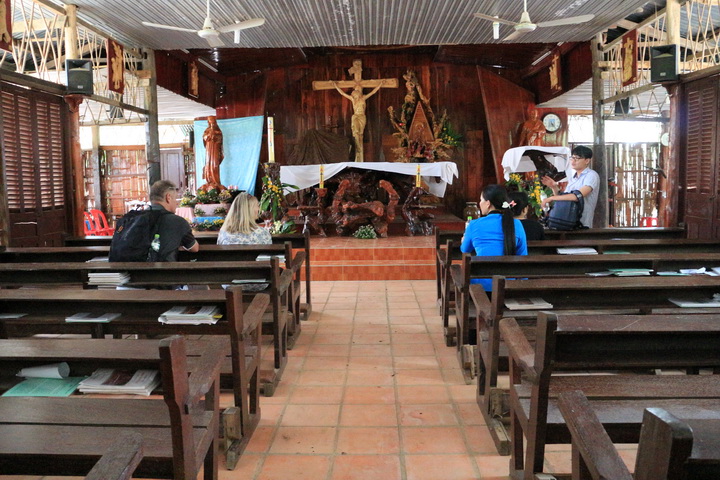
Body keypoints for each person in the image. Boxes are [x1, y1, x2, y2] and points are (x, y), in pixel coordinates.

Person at [461, 184, 528, 291]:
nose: (480, 203)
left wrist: (463, 241)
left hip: (481, 287)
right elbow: (523, 256)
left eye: (481, 200)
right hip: (509, 286)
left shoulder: (474, 224)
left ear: (488, 203)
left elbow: (465, 250)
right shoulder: (517, 224)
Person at [218, 192, 272, 291]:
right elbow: (267, 260)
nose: (258, 209)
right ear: (250, 210)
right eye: (256, 206)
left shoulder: (224, 232)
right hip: (258, 282)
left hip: (230, 282)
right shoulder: (263, 233)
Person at [541, 145, 599, 228]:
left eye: (577, 158)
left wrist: (550, 198)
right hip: (566, 222)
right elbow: (565, 199)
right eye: (572, 157)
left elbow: (577, 196)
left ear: (587, 161)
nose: (573, 161)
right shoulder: (573, 177)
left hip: (581, 224)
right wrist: (554, 187)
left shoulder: (591, 175)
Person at [332, 79, 385, 162]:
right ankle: (357, 142)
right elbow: (342, 93)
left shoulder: (363, 98)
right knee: (356, 132)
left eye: (357, 92)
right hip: (356, 116)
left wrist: (380, 84)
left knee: (360, 134)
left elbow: (373, 92)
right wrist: (336, 86)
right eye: (355, 93)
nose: (356, 94)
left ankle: (359, 148)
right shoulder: (353, 100)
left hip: (362, 117)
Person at [149, 180, 199, 261]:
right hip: (165, 271)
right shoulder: (177, 221)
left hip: (134, 272)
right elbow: (194, 248)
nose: (176, 203)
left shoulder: (134, 218)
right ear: (168, 197)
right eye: (175, 198)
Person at [201, 115, 224, 190]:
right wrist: (208, 136)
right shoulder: (207, 131)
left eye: (213, 122)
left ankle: (216, 181)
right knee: (208, 164)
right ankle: (209, 180)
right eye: (210, 122)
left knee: (214, 164)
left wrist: (214, 135)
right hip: (209, 149)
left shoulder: (218, 131)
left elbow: (220, 140)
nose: (211, 124)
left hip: (215, 148)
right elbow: (204, 138)